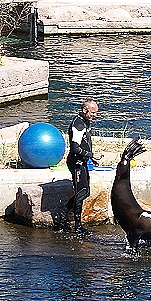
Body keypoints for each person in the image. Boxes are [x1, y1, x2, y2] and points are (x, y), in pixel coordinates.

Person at [56, 99, 103, 235]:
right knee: (81, 193)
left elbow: (84, 143)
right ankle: (77, 226)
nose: (95, 115)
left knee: (84, 192)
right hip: (76, 163)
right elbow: (75, 148)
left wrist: (90, 158)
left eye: (96, 113)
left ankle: (62, 217)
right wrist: (92, 154)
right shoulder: (78, 124)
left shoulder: (85, 122)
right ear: (85, 110)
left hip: (82, 162)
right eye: (93, 112)